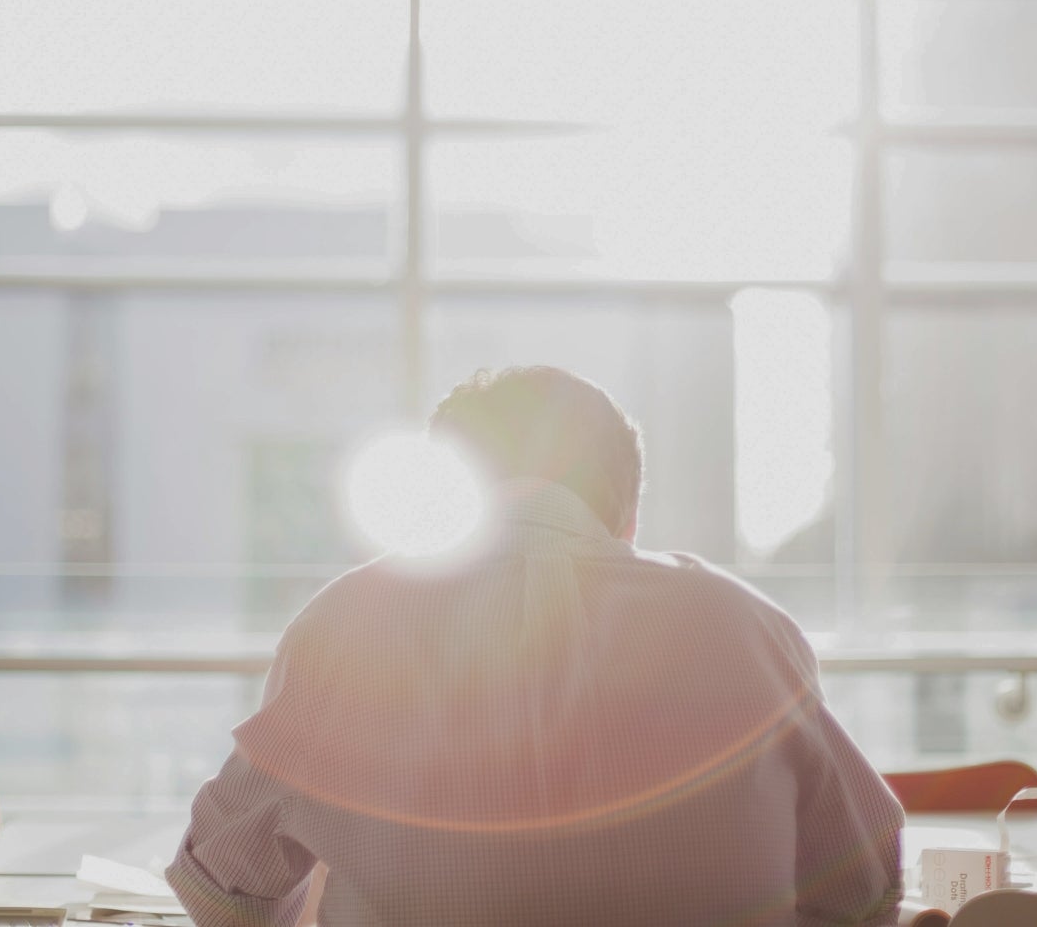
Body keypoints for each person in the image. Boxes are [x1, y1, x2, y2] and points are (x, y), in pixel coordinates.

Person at [168, 366, 904, 926]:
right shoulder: (748, 628)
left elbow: (221, 889)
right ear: (629, 511)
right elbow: (864, 887)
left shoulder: (347, 625)